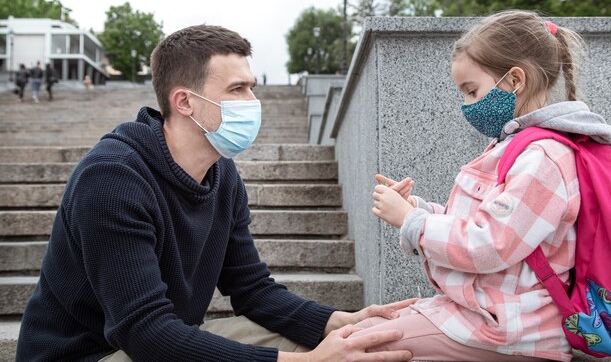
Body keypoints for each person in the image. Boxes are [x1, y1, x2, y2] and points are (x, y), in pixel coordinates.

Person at [16, 25, 414, 362]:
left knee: (336, 343)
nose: (253, 102)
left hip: (148, 344)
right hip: (90, 354)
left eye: (251, 88)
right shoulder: (111, 180)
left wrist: (336, 322)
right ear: (185, 101)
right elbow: (143, 330)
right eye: (238, 89)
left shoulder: (221, 173)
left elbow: (252, 290)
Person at [361, 10, 611, 362]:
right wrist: (420, 209)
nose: (466, 105)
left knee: (357, 347)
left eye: (472, 90)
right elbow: (482, 224)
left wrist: (412, 221)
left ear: (515, 80)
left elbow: (490, 245)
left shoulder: (543, 157)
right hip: (487, 314)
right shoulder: (515, 147)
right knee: (354, 334)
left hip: (511, 328)